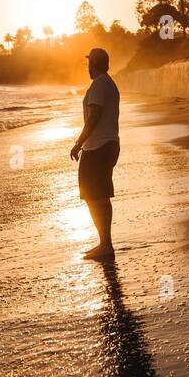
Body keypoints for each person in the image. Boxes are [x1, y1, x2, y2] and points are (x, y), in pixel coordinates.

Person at [70, 47, 120, 260]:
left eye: (89, 63)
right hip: (106, 145)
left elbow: (93, 117)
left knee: (96, 196)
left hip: (98, 147)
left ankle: (106, 244)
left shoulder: (99, 84)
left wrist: (78, 143)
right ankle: (104, 243)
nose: (87, 67)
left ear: (94, 64)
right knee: (97, 195)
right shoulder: (109, 83)